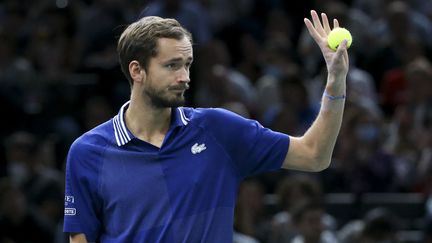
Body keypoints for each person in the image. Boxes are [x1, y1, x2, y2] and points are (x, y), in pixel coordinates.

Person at [64, 10, 349, 243]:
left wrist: (335, 83)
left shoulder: (218, 129)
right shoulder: (88, 152)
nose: (184, 77)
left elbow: (314, 155)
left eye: (187, 64)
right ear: (137, 70)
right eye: (172, 66)